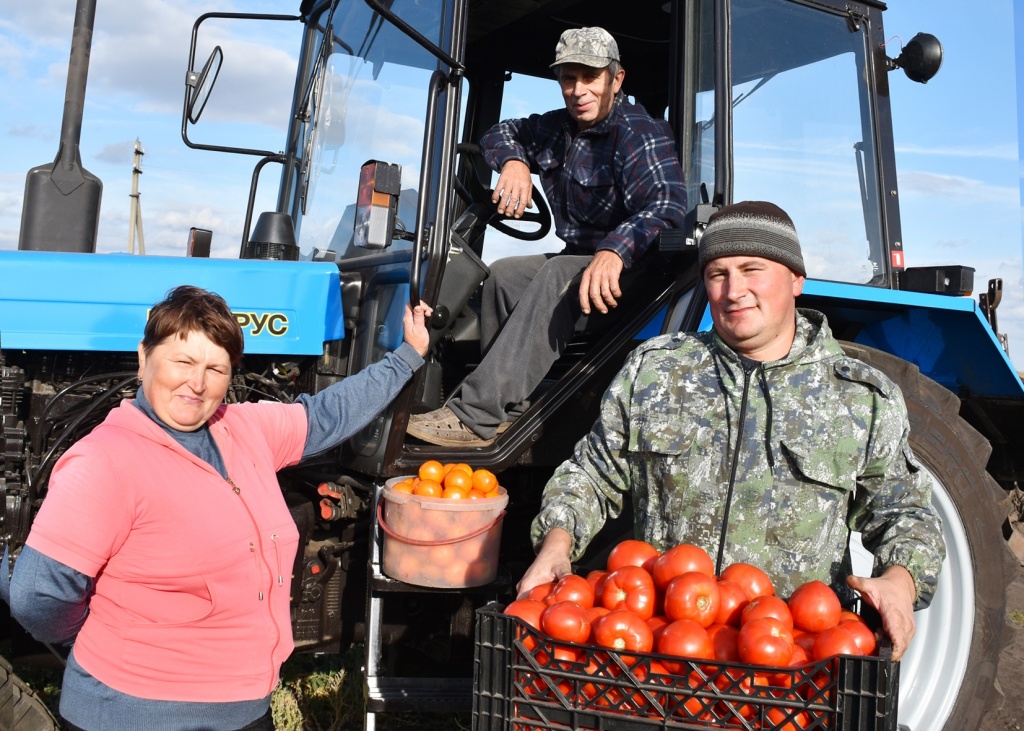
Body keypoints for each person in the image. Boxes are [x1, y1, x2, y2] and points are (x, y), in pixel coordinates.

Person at [517, 201, 945, 661]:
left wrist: (900, 582)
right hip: (664, 650)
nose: (733, 290)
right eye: (717, 273)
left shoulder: (860, 397)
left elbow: (906, 514)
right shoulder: (658, 373)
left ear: (796, 278)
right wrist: (556, 543)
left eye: (751, 269)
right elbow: (592, 474)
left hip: (789, 663)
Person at [1, 285, 432, 731]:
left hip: (243, 709)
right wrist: (91, 636)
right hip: (132, 713)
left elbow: (327, 415)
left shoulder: (244, 429)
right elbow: (37, 596)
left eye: (216, 368)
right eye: (183, 362)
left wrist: (406, 357)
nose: (198, 382)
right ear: (143, 356)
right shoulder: (105, 460)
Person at [407, 26, 687, 446]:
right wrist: (515, 163)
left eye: (590, 77)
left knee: (557, 274)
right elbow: (499, 134)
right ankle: (509, 410)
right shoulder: (558, 129)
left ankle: (474, 415)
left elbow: (666, 207)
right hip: (581, 257)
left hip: (637, 270)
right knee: (504, 274)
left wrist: (615, 249)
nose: (578, 90)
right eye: (568, 78)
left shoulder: (639, 133)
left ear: (616, 78)